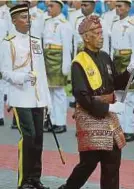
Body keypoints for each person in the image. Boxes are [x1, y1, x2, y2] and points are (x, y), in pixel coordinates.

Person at [58, 15, 134, 189]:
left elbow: (116, 83)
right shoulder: (78, 63)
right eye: (97, 33)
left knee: (113, 159)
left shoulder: (104, 56)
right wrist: (108, 106)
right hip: (90, 114)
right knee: (89, 162)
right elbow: (82, 96)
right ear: (86, 37)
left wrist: (129, 72)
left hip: (108, 115)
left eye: (102, 32)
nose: (101, 36)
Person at [0, 4, 51, 189]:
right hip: (20, 97)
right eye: (23, 17)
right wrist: (22, 77)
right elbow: (4, 72)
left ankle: (35, 179)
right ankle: (24, 181)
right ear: (14, 21)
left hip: (37, 98)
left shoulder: (36, 40)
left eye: (28, 17)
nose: (27, 20)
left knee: (38, 139)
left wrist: (48, 101)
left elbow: (43, 74)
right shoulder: (8, 42)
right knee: (28, 138)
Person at [110, 0, 134, 142]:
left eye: (120, 6)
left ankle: (129, 129)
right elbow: (112, 47)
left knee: (130, 98)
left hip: (128, 60)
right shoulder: (115, 24)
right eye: (116, 6)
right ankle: (119, 127)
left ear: (128, 7)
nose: (118, 9)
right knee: (118, 95)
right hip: (117, 60)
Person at [43, 0, 73, 133]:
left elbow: (67, 47)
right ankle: (52, 121)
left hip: (58, 58)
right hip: (47, 58)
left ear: (60, 7)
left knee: (59, 92)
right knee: (49, 92)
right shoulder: (46, 22)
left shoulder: (64, 24)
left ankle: (61, 122)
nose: (48, 8)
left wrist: (66, 66)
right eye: (48, 6)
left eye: (51, 6)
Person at [0, 0, 13, 127]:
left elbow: (11, 32)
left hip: (3, 49)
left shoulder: (8, 12)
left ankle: (3, 113)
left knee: (4, 80)